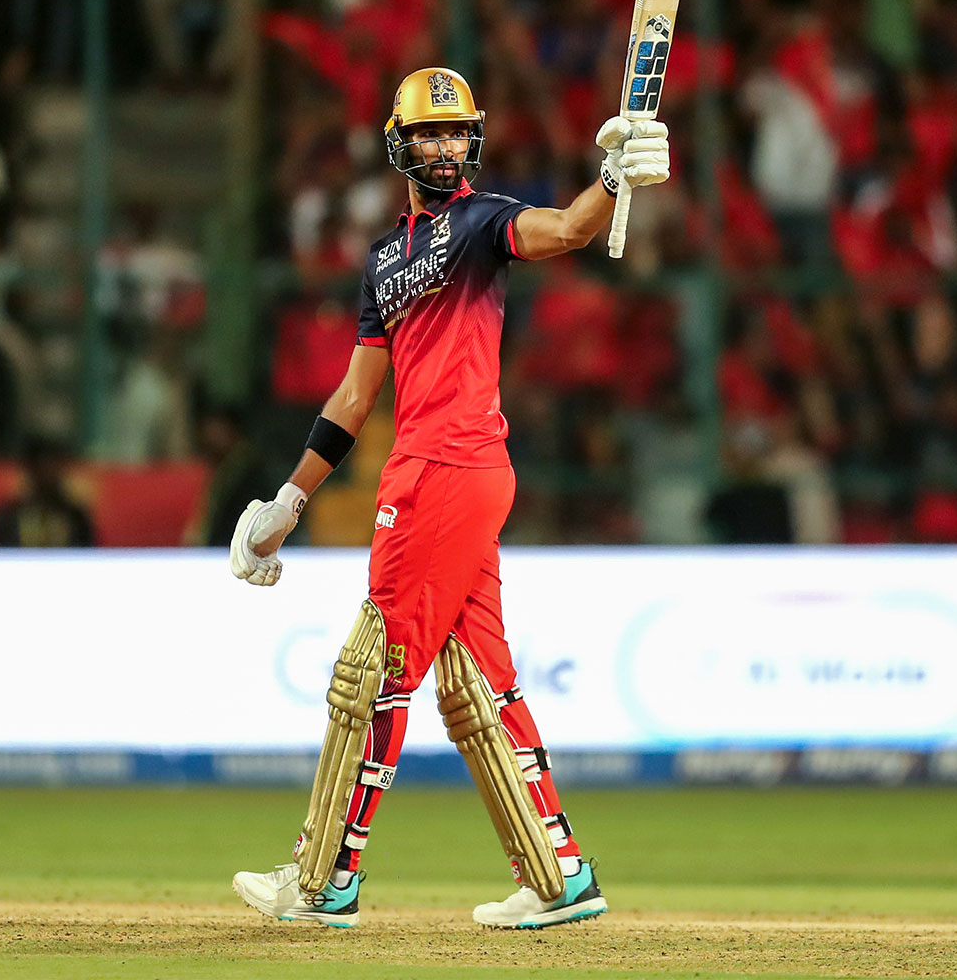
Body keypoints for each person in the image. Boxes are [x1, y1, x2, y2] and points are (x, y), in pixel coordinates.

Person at [228, 68, 670, 930]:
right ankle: (560, 875)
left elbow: (568, 230)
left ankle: (325, 882)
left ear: (472, 140)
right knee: (477, 685)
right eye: (428, 134)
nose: (443, 146)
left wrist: (611, 182)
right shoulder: (385, 258)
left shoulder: (480, 223)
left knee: (372, 673)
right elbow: (354, 400)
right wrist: (289, 501)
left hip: (449, 470)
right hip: (427, 471)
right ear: (399, 143)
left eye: (456, 132)